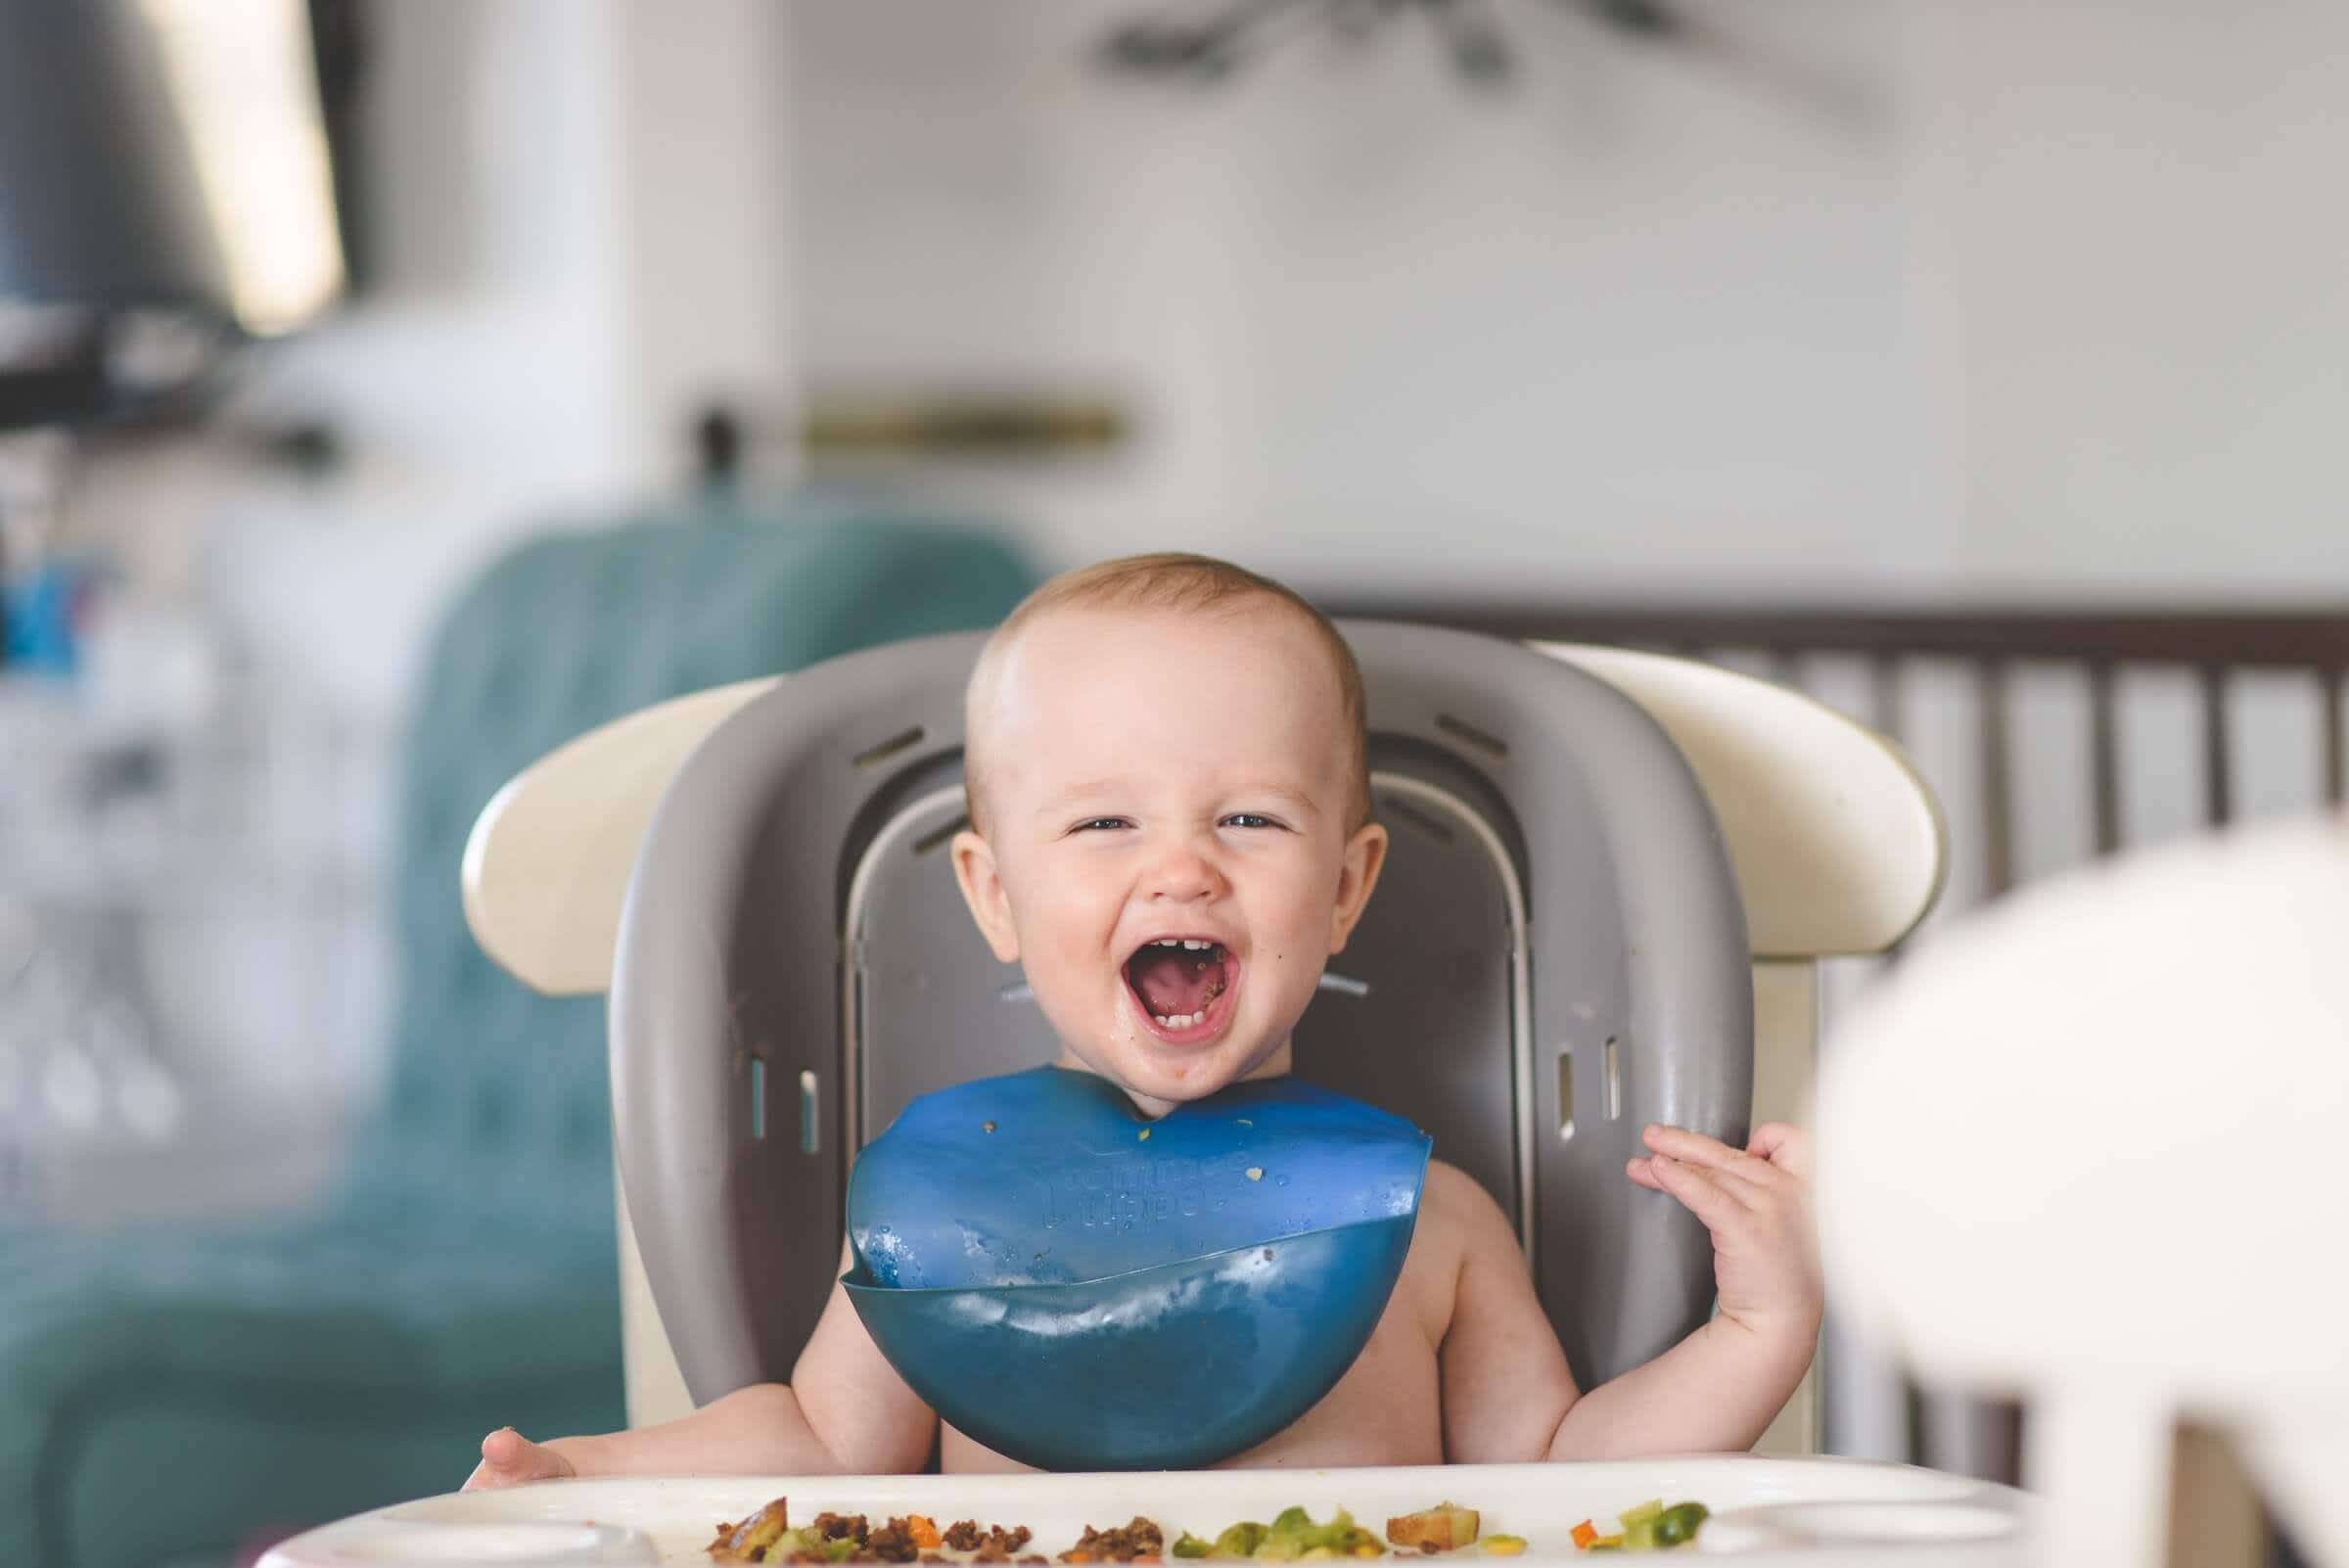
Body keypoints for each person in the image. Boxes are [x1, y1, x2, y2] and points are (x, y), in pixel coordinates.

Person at [466, 552, 1819, 1486]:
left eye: (1249, 818)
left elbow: (1557, 1476)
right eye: (1105, 822)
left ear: (1346, 888)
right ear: (994, 897)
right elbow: (822, 1444)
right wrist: (590, 1466)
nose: (1181, 866)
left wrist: (1756, 1332)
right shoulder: (940, 1216)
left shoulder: (1434, 1222)